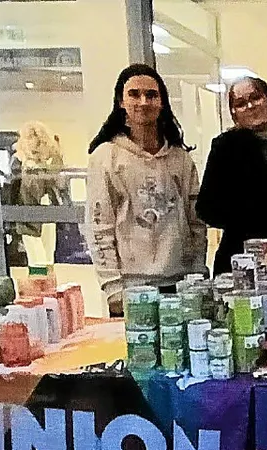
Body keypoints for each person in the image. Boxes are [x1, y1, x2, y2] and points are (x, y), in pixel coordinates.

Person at [86, 63, 207, 316]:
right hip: (131, 288)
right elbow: (99, 225)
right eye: (134, 94)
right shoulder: (106, 157)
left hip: (180, 283)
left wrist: (196, 273)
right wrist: (112, 286)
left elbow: (196, 222)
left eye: (151, 95)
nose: (143, 102)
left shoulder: (180, 159)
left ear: (162, 102)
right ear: (121, 102)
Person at [197, 77, 267, 274]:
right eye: (241, 103)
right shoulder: (224, 147)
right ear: (234, 114)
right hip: (239, 256)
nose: (250, 106)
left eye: (255, 98)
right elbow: (206, 209)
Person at [4, 121, 69, 267]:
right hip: (29, 213)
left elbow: (58, 184)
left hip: (44, 211)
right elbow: (18, 187)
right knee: (37, 257)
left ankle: (45, 280)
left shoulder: (48, 162)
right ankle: (40, 280)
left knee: (45, 256)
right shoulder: (19, 162)